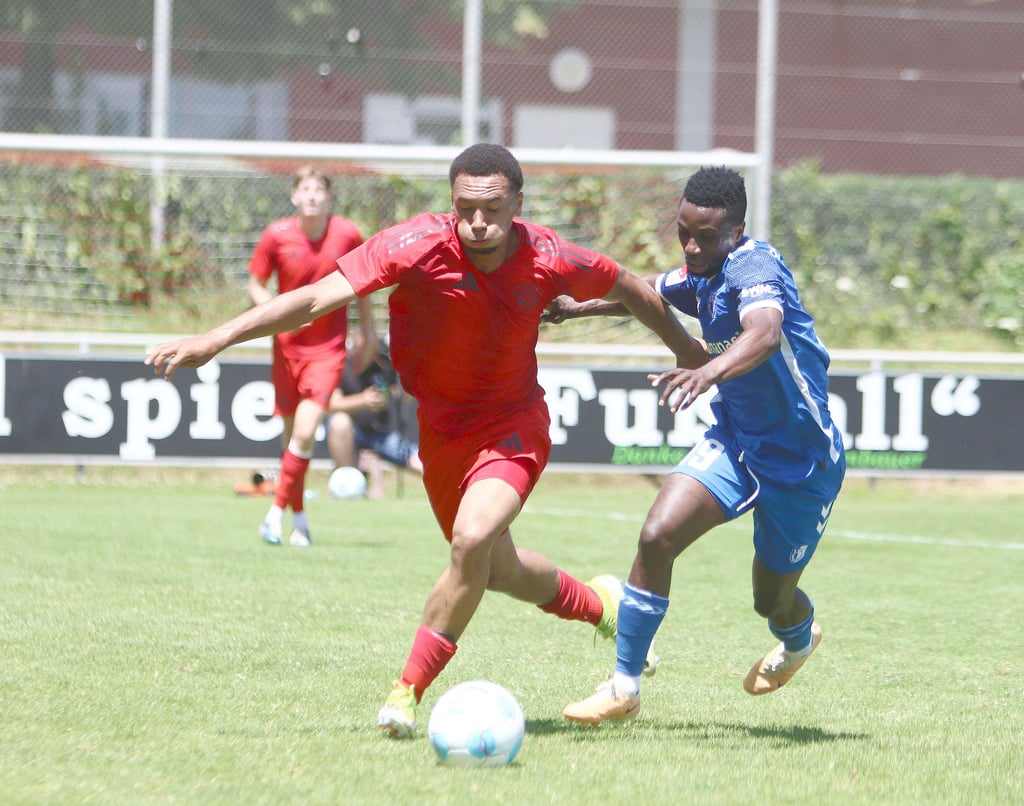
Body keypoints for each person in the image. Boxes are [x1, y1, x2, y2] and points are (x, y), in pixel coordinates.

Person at [145, 143, 708, 739]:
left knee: (470, 542)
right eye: (465, 208)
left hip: (513, 426)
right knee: (498, 570)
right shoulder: (412, 245)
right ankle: (605, 608)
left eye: (492, 209)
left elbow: (630, 287)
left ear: (518, 203)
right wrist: (217, 337)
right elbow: (312, 298)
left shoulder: (547, 254)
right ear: (451, 204)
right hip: (440, 434)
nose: (478, 223)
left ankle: (405, 690)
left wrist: (688, 350)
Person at [553, 166, 846, 725]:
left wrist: (709, 371)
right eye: (683, 230)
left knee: (771, 600)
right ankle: (624, 687)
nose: (691, 245)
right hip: (737, 443)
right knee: (657, 535)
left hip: (801, 463)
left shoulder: (754, 265)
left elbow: (763, 331)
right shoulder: (701, 268)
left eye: (705, 236)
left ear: (736, 230)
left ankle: (799, 637)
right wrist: (575, 309)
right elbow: (643, 295)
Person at [246, 165, 375, 547]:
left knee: (304, 432)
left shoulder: (347, 233)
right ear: (295, 196)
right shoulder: (276, 235)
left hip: (327, 350)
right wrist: (275, 314)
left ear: (330, 198)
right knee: (292, 442)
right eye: (306, 188)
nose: (313, 195)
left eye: (320, 189)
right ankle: (299, 519)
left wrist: (367, 330)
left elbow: (366, 281)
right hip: (286, 350)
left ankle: (272, 517)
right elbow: (255, 283)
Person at [325, 338, 423, 500]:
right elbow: (331, 405)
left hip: (382, 434)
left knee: (421, 463)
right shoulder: (343, 365)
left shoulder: (385, 366)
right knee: (339, 422)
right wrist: (363, 401)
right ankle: (346, 485)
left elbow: (407, 397)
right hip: (353, 433)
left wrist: (394, 393)